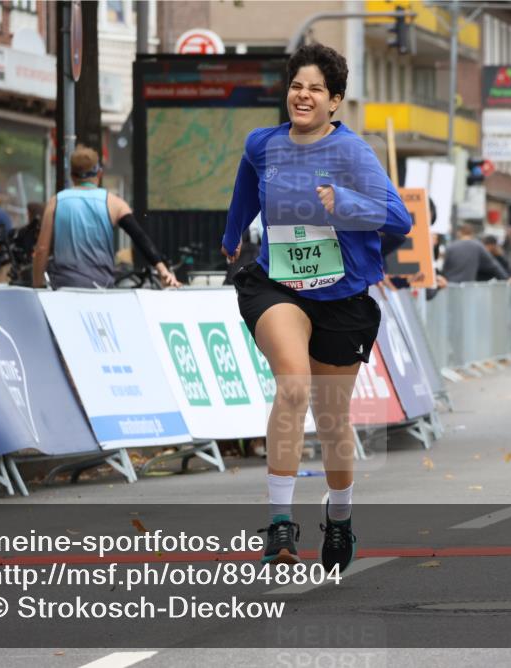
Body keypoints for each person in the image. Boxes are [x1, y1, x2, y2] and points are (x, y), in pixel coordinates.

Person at [221, 43, 411, 572]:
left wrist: (344, 204)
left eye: (315, 90)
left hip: (343, 296)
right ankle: (280, 525)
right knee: (294, 387)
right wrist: (234, 230)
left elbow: (399, 222)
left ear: (335, 102)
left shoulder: (352, 153)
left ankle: (342, 517)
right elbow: (246, 183)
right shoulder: (264, 144)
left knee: (331, 419)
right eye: (296, 86)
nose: (302, 96)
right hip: (278, 285)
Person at [33, 144, 180, 289]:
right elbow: (139, 237)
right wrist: (163, 270)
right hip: (101, 288)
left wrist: (37, 285)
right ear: (99, 173)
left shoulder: (56, 202)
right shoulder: (114, 203)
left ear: (72, 175)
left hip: (64, 288)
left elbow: (42, 248)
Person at [441, 223, 508, 284]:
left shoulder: (451, 247)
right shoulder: (477, 246)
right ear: (472, 233)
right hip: (467, 287)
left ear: (460, 233)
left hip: (450, 286)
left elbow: (445, 268)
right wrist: (506, 278)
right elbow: (493, 265)